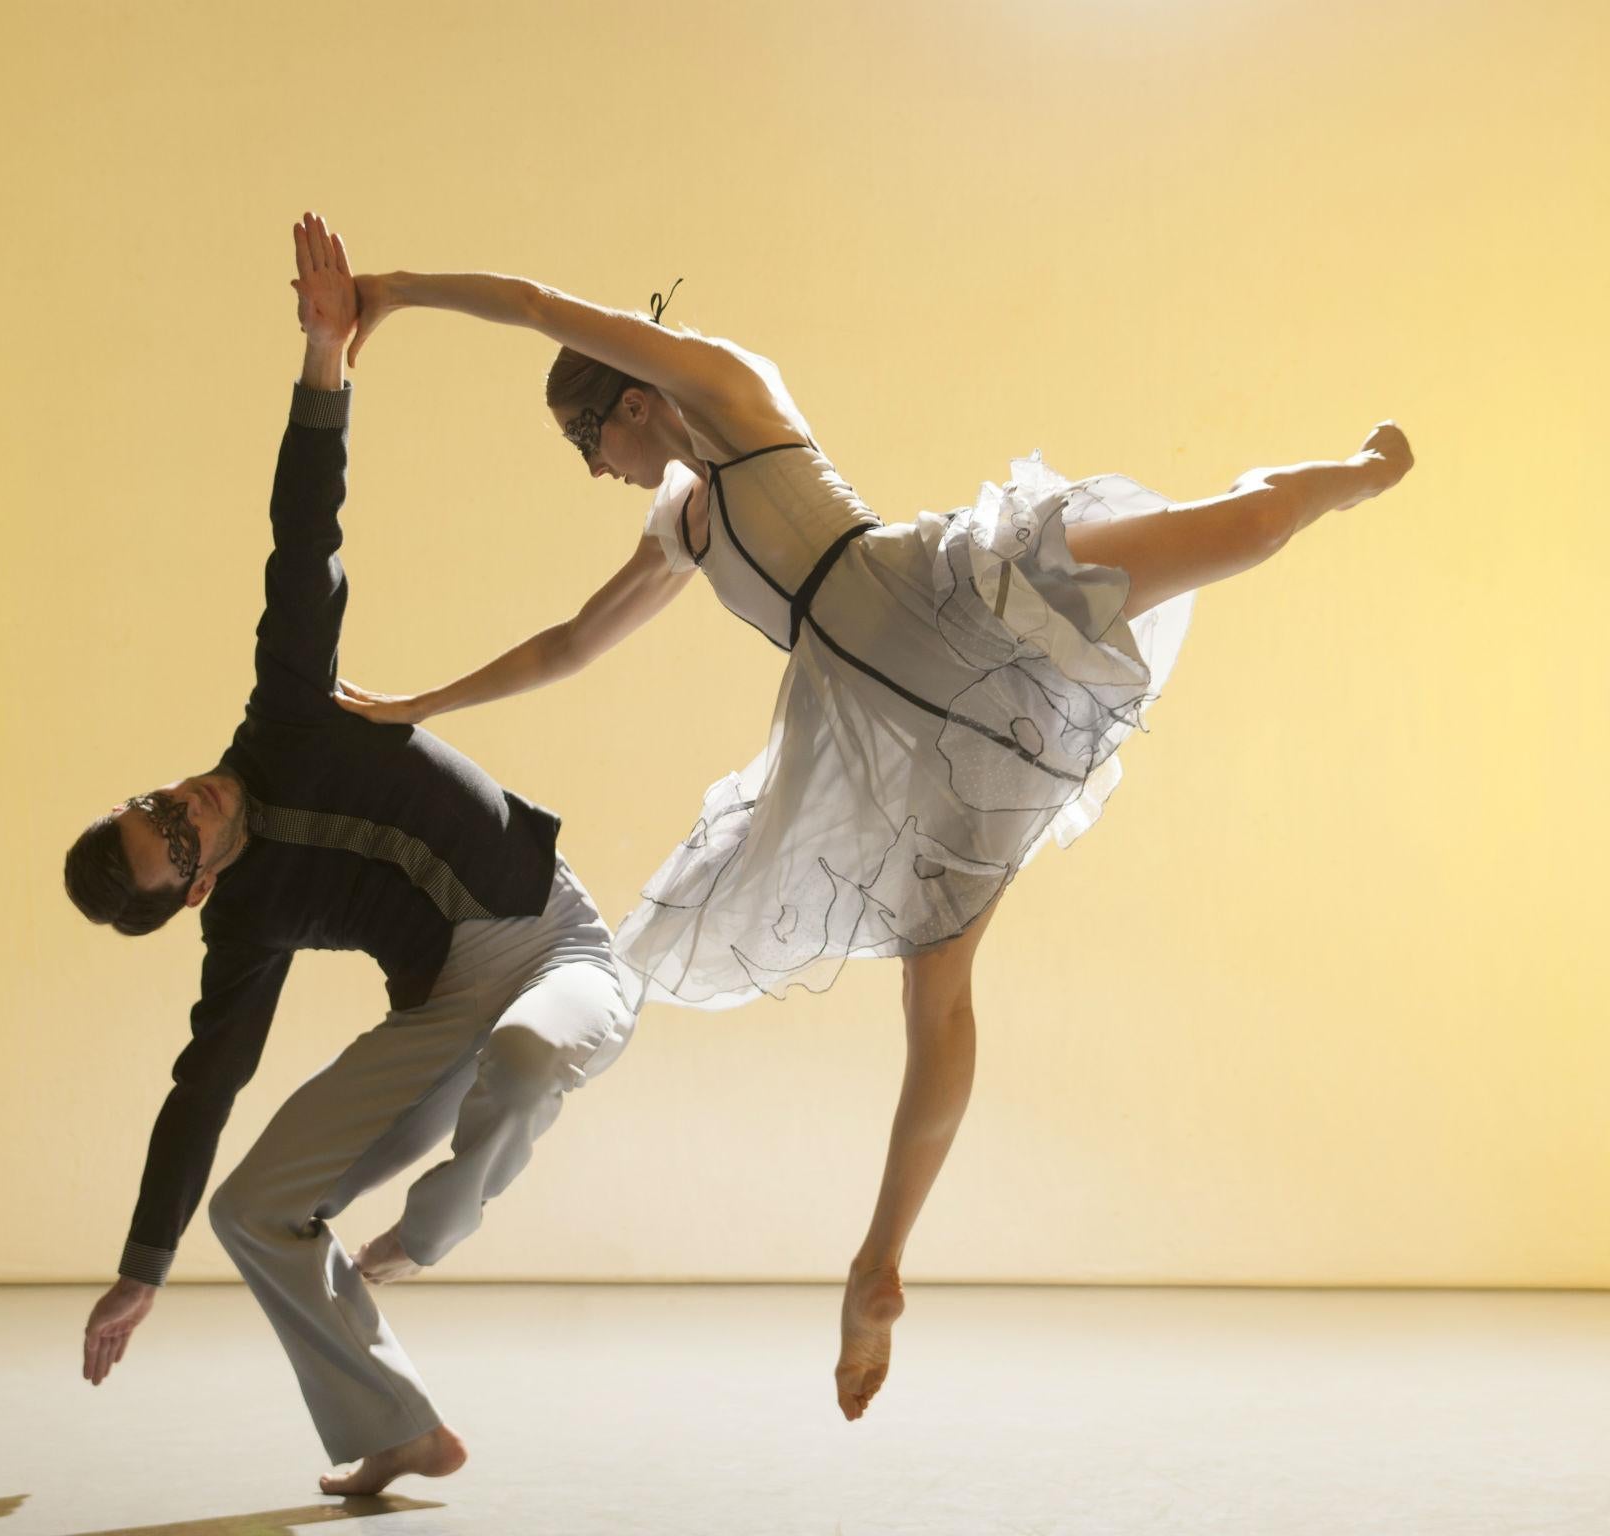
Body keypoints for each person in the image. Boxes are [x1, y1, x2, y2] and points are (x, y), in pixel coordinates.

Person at [328, 266, 1414, 1421]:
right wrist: (417, 706)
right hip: (895, 737)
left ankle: (1357, 472)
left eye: (584, 437)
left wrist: (395, 291)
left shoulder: (734, 393)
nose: (593, 467)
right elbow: (568, 645)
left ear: (632, 401)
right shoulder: (679, 525)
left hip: (958, 604)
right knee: (935, 998)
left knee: (1243, 528)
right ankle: (877, 1262)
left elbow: (544, 307)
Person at [60, 218, 634, 1495]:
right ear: (195, 889)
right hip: (438, 1011)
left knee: (535, 1051)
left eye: (160, 799)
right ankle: (397, 1425)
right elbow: (201, 1085)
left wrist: (327, 357)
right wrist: (140, 1270)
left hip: (553, 940)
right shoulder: (243, 924)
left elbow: (300, 537)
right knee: (251, 1210)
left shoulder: (281, 711)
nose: (187, 803)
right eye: (176, 838)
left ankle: (424, 1241)